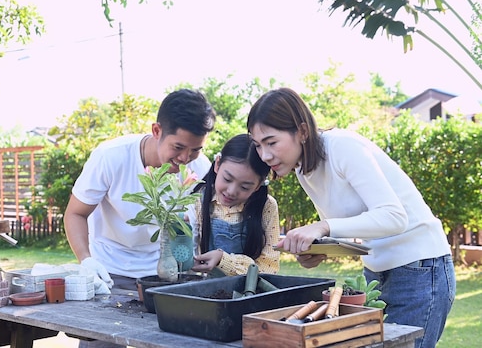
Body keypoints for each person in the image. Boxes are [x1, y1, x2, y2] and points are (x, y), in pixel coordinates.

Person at [247, 87, 455, 348]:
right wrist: (318, 250)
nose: (265, 156)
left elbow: (394, 217)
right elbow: (353, 228)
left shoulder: (342, 147)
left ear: (301, 131)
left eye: (271, 142)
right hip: (376, 274)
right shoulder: (303, 169)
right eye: (258, 146)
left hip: (421, 269)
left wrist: (322, 227)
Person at [64, 88, 216, 294]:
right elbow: (75, 213)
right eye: (178, 147)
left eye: (195, 150)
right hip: (112, 272)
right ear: (156, 131)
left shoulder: (200, 169)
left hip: (170, 276)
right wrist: (86, 260)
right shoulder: (110, 157)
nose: (185, 158)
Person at [190, 134, 280, 276]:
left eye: (244, 187)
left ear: (258, 185)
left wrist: (223, 260)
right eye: (227, 179)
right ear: (218, 164)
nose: (231, 191)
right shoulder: (196, 200)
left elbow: (269, 267)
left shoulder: (267, 207)